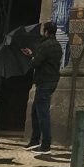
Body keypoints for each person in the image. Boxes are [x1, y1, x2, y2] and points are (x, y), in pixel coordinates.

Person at [22, 21, 62, 156]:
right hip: (51, 80)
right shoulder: (57, 45)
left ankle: (46, 145)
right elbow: (45, 59)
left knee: (43, 113)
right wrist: (32, 54)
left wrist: (31, 59)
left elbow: (36, 63)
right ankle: (35, 140)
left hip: (44, 81)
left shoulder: (45, 45)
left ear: (46, 32)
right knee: (35, 110)